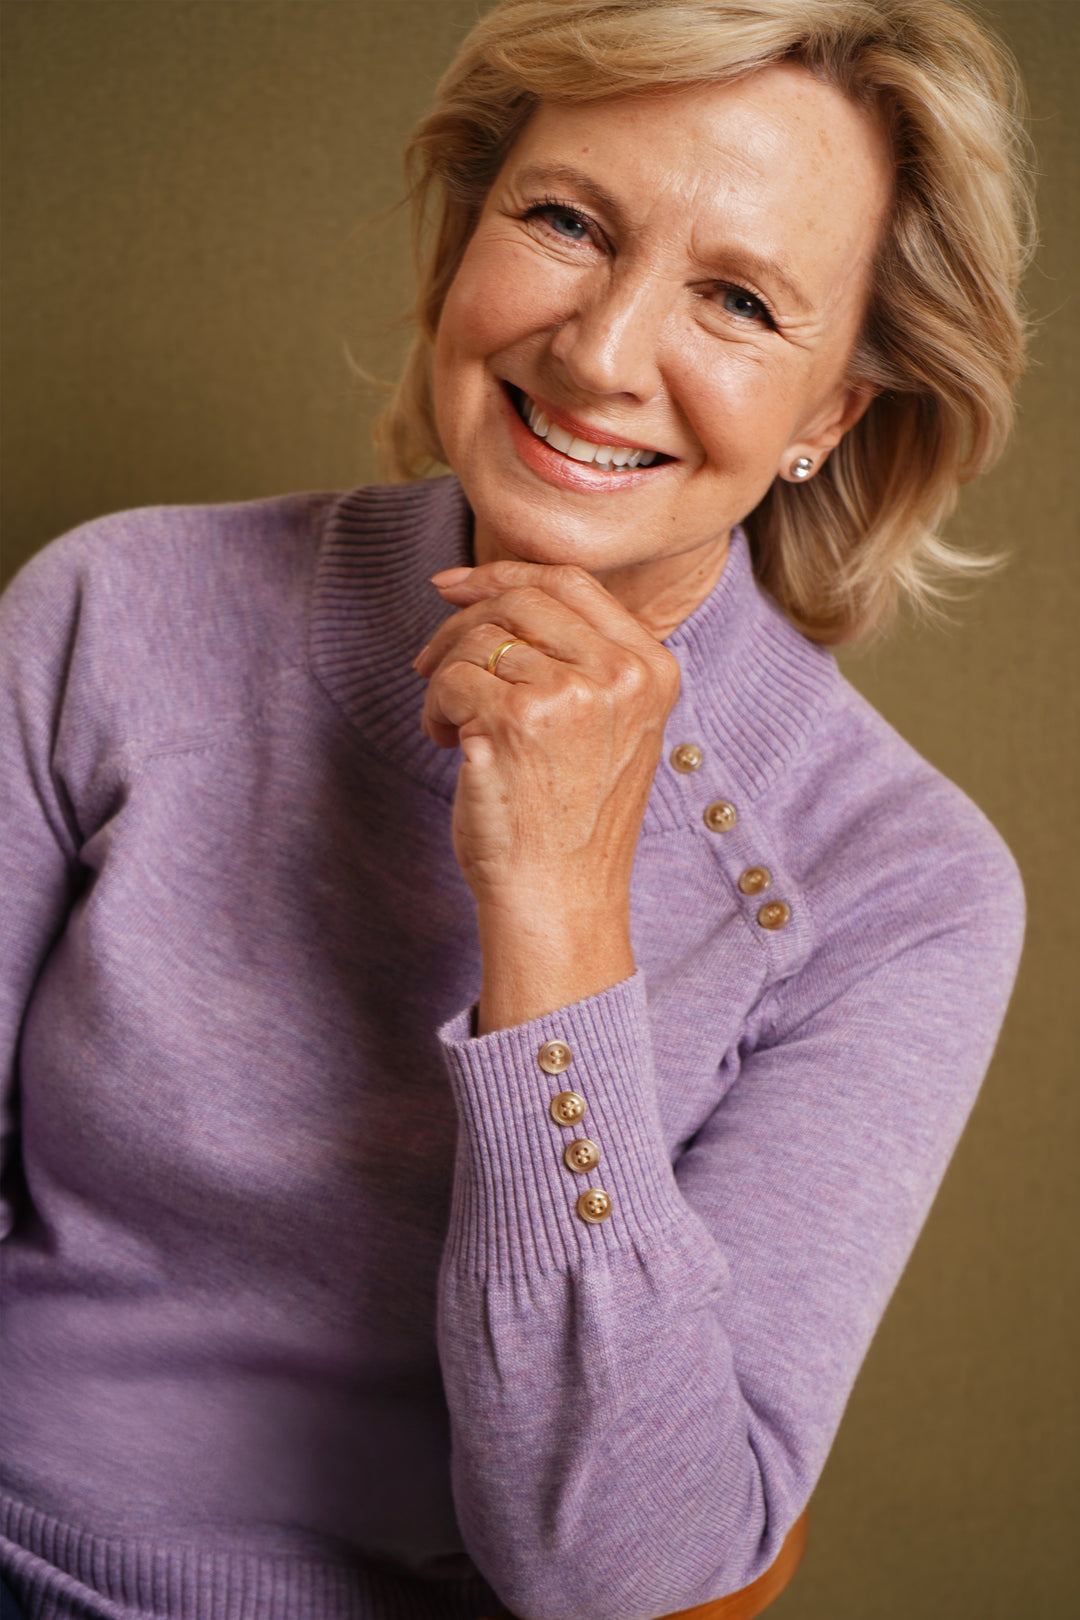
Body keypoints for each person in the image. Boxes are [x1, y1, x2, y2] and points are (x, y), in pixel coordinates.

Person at [0, 1, 1033, 1617]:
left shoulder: (900, 887)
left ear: (835, 411)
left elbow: (622, 1568)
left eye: (742, 300)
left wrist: (557, 911)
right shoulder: (113, 607)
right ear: (460, 238)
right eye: (564, 221)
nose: (604, 354)